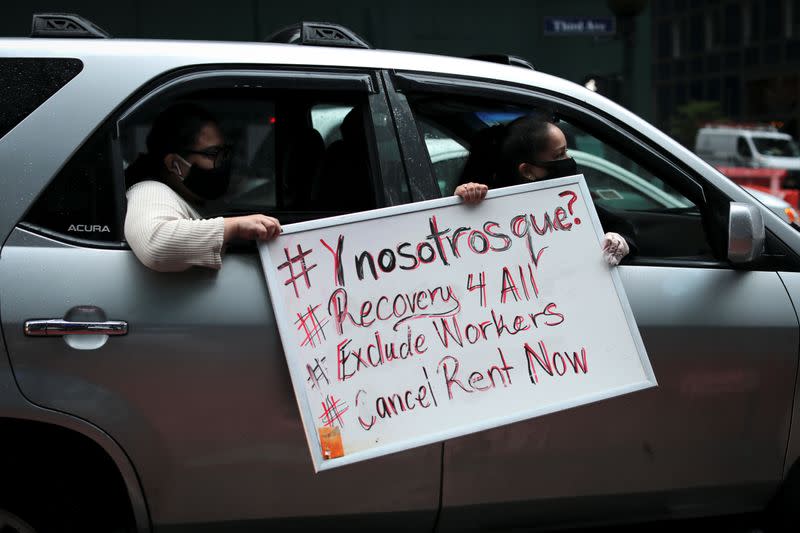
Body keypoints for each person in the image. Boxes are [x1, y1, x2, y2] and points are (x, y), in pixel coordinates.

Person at [454, 114, 633, 265]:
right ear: (528, 171)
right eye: (559, 154)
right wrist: (462, 201)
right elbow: (456, 242)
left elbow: (619, 225)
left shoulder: (568, 200)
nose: (568, 159)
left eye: (566, 152)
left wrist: (619, 240)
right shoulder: (488, 203)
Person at [124, 103, 282, 272]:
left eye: (224, 152)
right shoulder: (149, 191)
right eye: (213, 154)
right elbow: (156, 245)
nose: (222, 162)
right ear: (174, 163)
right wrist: (235, 227)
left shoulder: (193, 196)